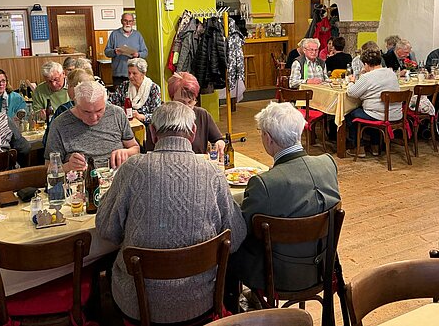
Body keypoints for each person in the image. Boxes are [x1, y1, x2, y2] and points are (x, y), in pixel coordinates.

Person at [96, 101, 245, 325]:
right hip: (201, 299)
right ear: (193, 132)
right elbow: (237, 236)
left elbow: (107, 230)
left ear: (153, 132)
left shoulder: (132, 169)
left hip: (139, 303)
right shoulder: (213, 172)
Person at [226, 102, 340, 311]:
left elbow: (241, 230)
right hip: (322, 267)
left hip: (278, 276)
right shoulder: (328, 164)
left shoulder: (264, 184)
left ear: (268, 138)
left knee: (227, 247)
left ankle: (233, 311)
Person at [45, 80, 139, 169]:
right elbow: (49, 168)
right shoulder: (60, 124)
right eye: (86, 112)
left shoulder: (117, 113)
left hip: (116, 174)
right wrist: (68, 166)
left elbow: (135, 148)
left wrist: (126, 152)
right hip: (82, 178)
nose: (94, 117)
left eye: (99, 110)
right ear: (76, 103)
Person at [346, 49, 401, 157]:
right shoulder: (391, 73)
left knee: (350, 114)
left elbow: (352, 92)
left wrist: (352, 81)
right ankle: (375, 146)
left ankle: (358, 148)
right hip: (396, 114)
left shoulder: (368, 77)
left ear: (366, 64)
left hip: (380, 115)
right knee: (373, 110)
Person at [167, 72, 224, 155]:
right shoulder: (163, 117)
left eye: (190, 102)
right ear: (172, 99)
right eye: (181, 102)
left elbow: (218, 139)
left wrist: (219, 143)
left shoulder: (202, 115)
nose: (186, 107)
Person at [42, 68, 94, 147]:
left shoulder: (63, 109)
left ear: (74, 88)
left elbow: (47, 139)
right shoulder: (103, 108)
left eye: (68, 85)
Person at [109, 58, 161, 125]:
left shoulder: (154, 88)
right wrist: (121, 110)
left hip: (145, 125)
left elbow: (157, 116)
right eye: (129, 73)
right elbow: (111, 102)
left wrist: (140, 116)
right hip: (125, 123)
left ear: (143, 73)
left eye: (134, 73)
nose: (130, 76)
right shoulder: (124, 86)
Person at [104, 13, 148, 88]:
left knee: (135, 94)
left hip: (135, 74)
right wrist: (114, 52)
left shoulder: (138, 35)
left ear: (133, 22)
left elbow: (145, 52)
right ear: (121, 21)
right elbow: (106, 52)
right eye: (125, 21)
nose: (128, 23)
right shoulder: (114, 34)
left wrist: (138, 54)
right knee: (119, 94)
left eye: (130, 21)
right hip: (119, 74)